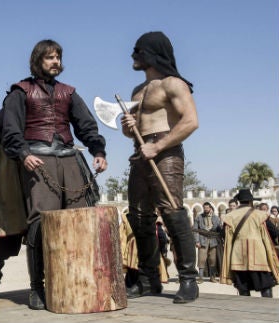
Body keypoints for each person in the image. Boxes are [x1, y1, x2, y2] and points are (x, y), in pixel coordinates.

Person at [0, 39, 107, 310]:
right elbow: (9, 129)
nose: (55, 62)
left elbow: (86, 125)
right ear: (38, 61)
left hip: (69, 158)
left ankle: (77, 280)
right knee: (40, 222)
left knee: (78, 220)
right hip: (38, 159)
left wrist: (98, 150)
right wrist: (23, 154)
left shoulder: (69, 93)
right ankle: (37, 287)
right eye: (49, 58)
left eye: (57, 57)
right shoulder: (20, 92)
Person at [120, 31, 199, 304]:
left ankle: (188, 279)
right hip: (140, 154)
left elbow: (190, 121)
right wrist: (128, 129)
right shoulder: (136, 91)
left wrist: (158, 145)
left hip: (165, 154)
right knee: (140, 217)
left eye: (138, 51)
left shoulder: (173, 84)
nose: (133, 56)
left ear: (151, 53)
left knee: (172, 212)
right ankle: (148, 279)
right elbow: (135, 133)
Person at [220, 189, 279, 298]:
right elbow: (274, 232)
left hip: (238, 258)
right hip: (259, 257)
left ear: (238, 202)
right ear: (251, 201)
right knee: (265, 286)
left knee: (243, 289)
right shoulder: (261, 215)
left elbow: (224, 235)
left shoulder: (230, 217)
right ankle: (267, 310)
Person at [193, 202, 222, 283]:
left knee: (213, 260)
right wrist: (197, 241)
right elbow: (195, 230)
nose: (205, 209)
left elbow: (219, 229)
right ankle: (200, 278)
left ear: (210, 208)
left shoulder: (216, 218)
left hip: (213, 241)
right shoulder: (199, 217)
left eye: (207, 208)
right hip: (202, 240)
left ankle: (212, 277)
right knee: (201, 259)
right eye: (204, 208)